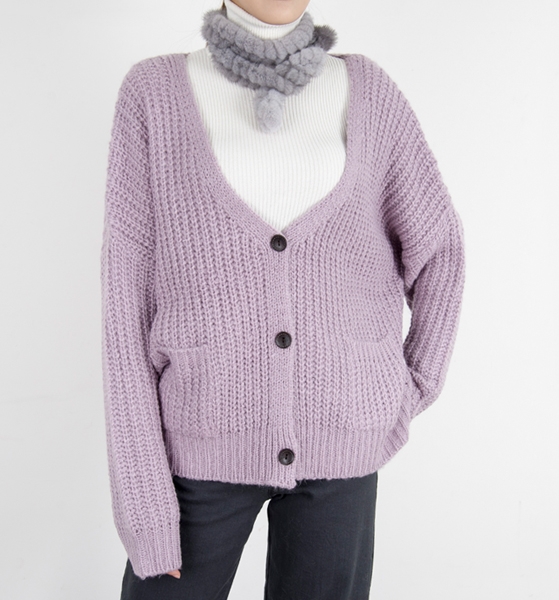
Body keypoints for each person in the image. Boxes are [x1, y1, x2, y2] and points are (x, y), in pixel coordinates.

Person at [100, 0, 466, 598]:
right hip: (199, 444)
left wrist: (411, 385)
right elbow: (125, 311)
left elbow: (439, 251)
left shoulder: (368, 92)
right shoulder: (154, 93)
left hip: (344, 444)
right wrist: (145, 506)